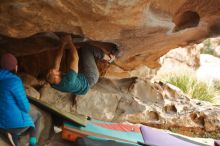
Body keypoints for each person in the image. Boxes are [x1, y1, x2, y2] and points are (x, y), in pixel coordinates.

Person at [47, 35, 120, 95]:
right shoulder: (69, 80)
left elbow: (57, 60)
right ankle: (110, 58)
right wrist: (69, 41)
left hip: (79, 81)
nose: (53, 70)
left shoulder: (53, 82)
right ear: (56, 78)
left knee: (77, 56)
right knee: (87, 48)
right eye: (54, 72)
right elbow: (75, 58)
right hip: (90, 77)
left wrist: (62, 44)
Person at [0, 53, 42, 146]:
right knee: (37, 115)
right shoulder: (14, 81)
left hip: (1, 126)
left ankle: (16, 138)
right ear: (15, 67)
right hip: (14, 126)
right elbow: (25, 107)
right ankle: (32, 143)